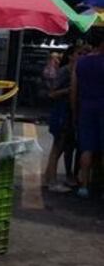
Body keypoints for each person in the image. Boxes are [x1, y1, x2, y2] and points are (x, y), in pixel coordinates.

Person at [71, 34, 104, 199]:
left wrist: (74, 110)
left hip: (86, 107)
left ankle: (84, 186)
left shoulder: (82, 62)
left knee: (86, 148)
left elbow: (74, 89)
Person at [45, 46, 80, 192]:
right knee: (57, 147)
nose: (83, 55)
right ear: (71, 56)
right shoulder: (65, 71)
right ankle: (52, 182)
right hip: (61, 112)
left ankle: (49, 177)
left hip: (66, 113)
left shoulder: (74, 70)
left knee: (62, 146)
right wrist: (69, 90)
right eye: (80, 53)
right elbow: (52, 93)